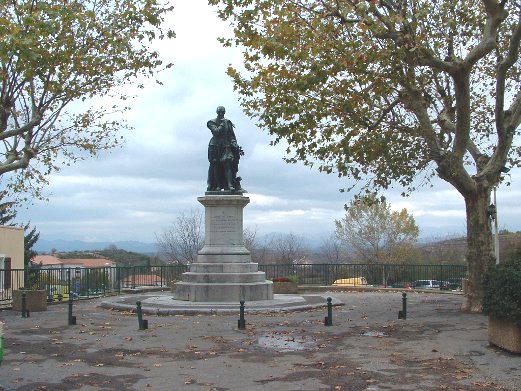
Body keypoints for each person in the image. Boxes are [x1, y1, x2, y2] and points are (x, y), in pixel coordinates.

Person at [206, 106, 244, 192]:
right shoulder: (211, 122)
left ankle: (230, 184)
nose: (221, 114)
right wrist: (223, 124)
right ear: (217, 112)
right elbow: (216, 132)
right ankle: (218, 185)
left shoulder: (228, 122)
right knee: (216, 166)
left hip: (225, 145)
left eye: (222, 112)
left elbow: (231, 135)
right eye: (219, 112)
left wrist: (235, 144)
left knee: (228, 163)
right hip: (214, 146)